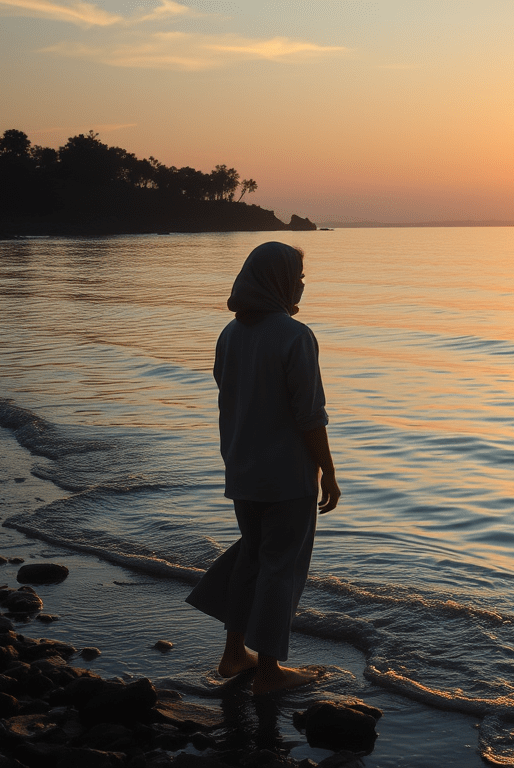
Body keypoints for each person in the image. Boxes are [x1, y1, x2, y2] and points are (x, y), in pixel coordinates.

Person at [186, 241, 341, 696]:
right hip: (288, 475)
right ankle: (269, 672)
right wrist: (328, 472)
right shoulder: (295, 336)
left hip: (242, 467)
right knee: (281, 568)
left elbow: (232, 393)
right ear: (277, 280)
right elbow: (309, 415)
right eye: (297, 275)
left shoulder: (229, 334)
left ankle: (235, 653)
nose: (302, 283)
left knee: (253, 558)